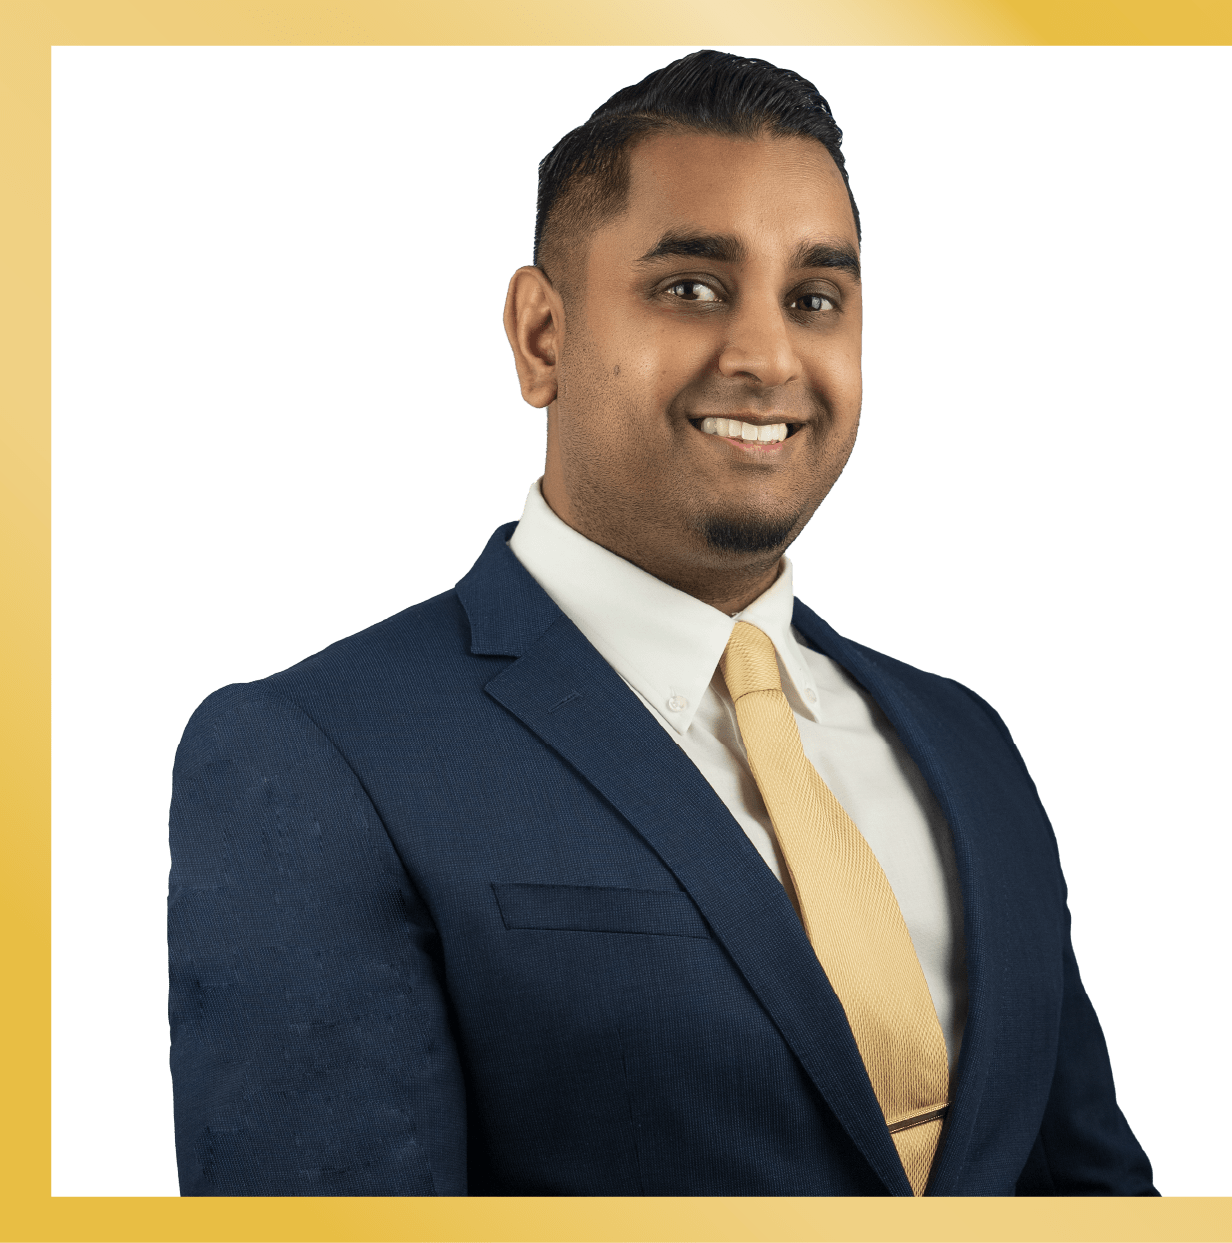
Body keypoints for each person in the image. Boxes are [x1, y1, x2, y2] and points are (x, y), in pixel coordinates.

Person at [167, 50, 1156, 1197]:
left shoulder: (966, 744)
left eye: (815, 298)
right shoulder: (318, 754)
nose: (767, 356)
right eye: (691, 287)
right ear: (542, 337)